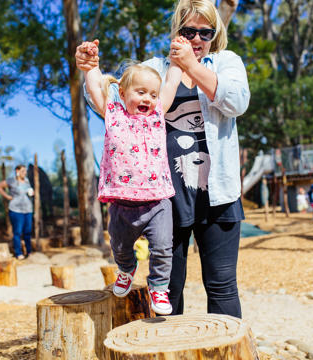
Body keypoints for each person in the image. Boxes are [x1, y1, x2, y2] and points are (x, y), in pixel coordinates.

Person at [76, 0, 250, 318]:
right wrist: (90, 70)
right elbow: (111, 103)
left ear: (215, 34)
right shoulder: (155, 67)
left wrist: (192, 67)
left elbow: (238, 101)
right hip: (166, 198)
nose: (197, 39)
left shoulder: (226, 61)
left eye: (205, 32)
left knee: (222, 286)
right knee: (168, 289)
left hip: (219, 193)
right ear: (176, 31)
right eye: (188, 31)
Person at [78, 37, 188, 315]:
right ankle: (126, 270)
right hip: (122, 204)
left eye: (153, 94)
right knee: (120, 246)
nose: (148, 99)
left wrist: (176, 61)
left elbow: (172, 84)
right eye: (141, 92)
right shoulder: (113, 114)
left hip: (157, 201)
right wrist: (91, 66)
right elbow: (94, 89)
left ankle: (159, 287)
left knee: (163, 248)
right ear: (123, 93)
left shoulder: (157, 114)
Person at [0, 165, 34, 260]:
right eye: (23, 171)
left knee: (28, 232)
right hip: (16, 210)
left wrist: (31, 193)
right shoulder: (11, 180)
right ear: (17, 171)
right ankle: (18, 253)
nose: (25, 173)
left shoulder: (27, 181)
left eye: (25, 171)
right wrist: (7, 196)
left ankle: (29, 252)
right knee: (17, 232)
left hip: (28, 210)